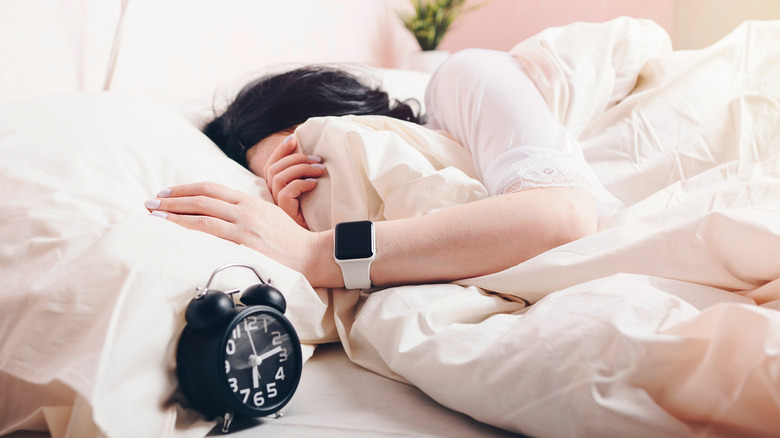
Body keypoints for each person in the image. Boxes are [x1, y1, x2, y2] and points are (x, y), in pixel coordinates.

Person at [144, 49, 620, 288]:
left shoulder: (462, 79)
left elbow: (563, 218)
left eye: (309, 165)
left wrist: (316, 254)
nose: (319, 199)